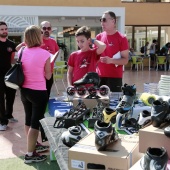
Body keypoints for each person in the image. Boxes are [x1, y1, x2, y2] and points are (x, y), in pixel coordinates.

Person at [18, 25, 52, 163]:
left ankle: (33, 147)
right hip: (38, 91)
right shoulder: (45, 54)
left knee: (28, 119)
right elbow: (48, 76)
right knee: (35, 124)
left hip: (24, 90)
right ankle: (30, 154)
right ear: (38, 36)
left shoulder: (21, 51)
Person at [16, 21, 59, 99]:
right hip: (37, 76)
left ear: (51, 30)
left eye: (48, 28)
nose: (46, 30)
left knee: (47, 95)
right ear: (41, 30)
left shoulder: (53, 41)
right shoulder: (36, 40)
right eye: (44, 28)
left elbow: (57, 52)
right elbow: (18, 48)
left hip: (48, 73)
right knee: (39, 98)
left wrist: (52, 60)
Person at [95, 10, 129, 92]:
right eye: (101, 20)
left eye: (104, 20)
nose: (102, 23)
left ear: (113, 21)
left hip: (115, 78)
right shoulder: (99, 37)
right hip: (99, 77)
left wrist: (111, 60)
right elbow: (94, 56)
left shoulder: (122, 38)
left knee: (114, 103)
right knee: (99, 103)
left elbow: (125, 60)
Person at [0, 21, 18, 131]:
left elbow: (12, 59)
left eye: (5, 29)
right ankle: (2, 121)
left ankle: (9, 115)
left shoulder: (11, 44)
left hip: (9, 74)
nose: (4, 31)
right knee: (1, 99)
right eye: (2, 29)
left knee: (11, 96)